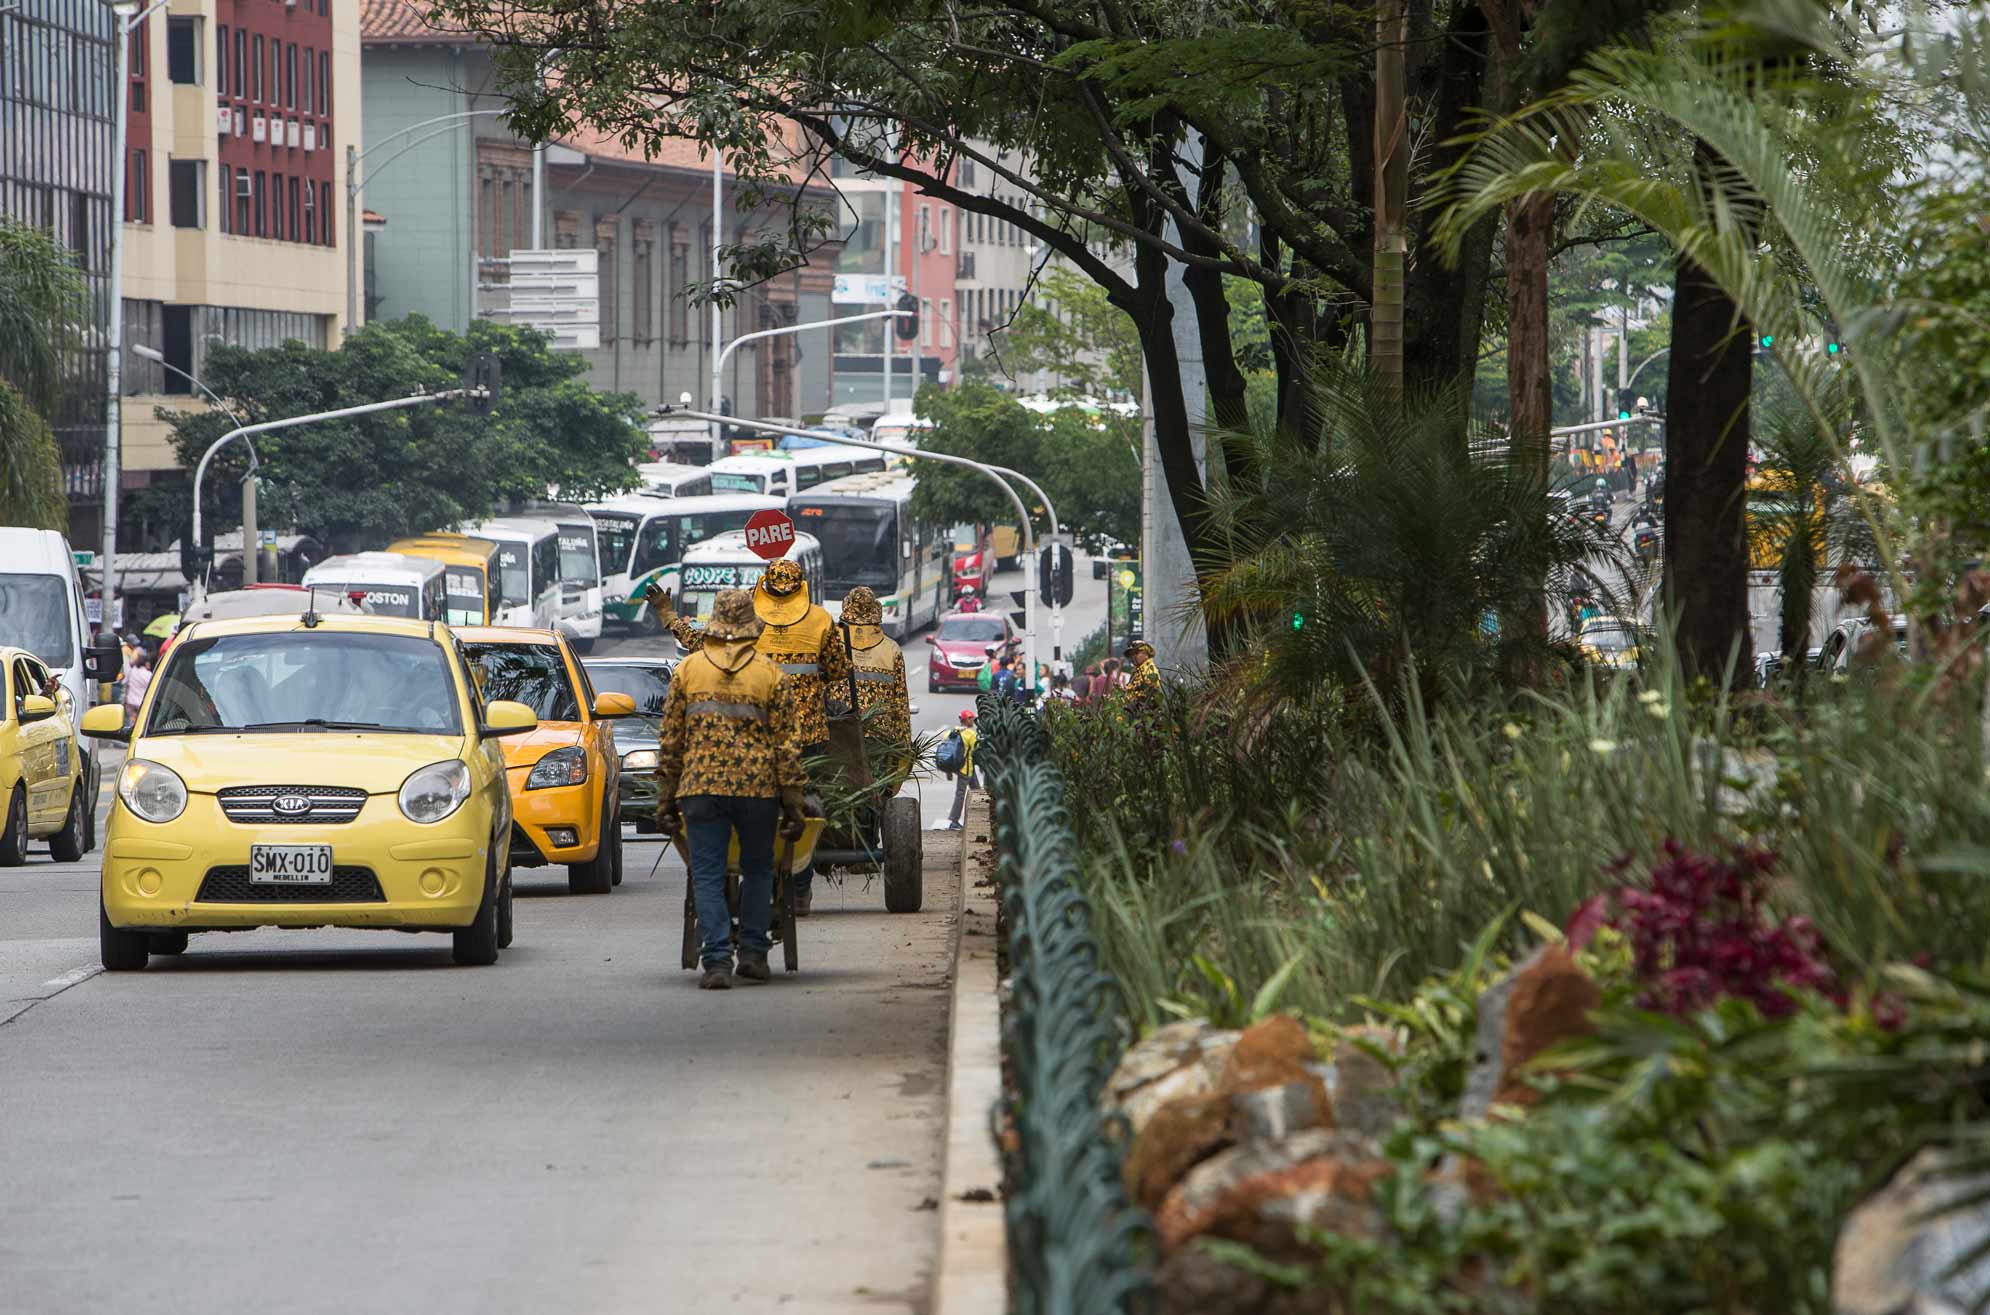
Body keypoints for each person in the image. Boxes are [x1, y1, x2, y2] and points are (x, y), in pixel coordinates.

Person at [648, 560, 849, 913]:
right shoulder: (821, 620)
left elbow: (697, 645)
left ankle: (723, 939)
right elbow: (837, 670)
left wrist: (667, 614)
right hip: (806, 738)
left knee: (718, 861)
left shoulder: (733, 637)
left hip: (735, 752)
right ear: (802, 587)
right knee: (804, 811)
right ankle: (798, 887)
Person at [652, 589, 808, 991]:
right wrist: (793, 805)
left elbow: (671, 743)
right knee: (758, 869)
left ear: (716, 626)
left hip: (700, 788)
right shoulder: (770, 675)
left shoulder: (688, 671)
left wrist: (665, 798)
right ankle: (754, 954)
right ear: (751, 628)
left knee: (707, 873)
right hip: (758, 791)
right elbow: (786, 747)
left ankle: (717, 962)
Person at [841, 586, 911, 767]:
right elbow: (900, 702)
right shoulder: (892, 648)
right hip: (879, 736)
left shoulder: (832, 644)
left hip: (840, 732)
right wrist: (904, 745)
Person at [943, 708, 978, 830]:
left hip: (958, 767)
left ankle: (978, 817)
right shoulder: (970, 734)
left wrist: (948, 771)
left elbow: (947, 752)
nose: (974, 720)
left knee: (977, 791)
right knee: (961, 794)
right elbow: (977, 751)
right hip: (966, 769)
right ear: (967, 720)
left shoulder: (951, 732)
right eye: (972, 718)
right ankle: (954, 821)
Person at [1123, 640, 1160, 708]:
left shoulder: (1150, 669)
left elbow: (1148, 694)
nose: (1133, 657)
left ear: (1146, 653)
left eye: (1136, 653)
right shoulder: (1137, 670)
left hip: (1146, 712)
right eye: (1131, 655)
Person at [122, 649, 152, 719]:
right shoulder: (149, 675)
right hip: (142, 702)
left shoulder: (132, 671)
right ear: (147, 663)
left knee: (131, 720)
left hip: (131, 701)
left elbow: (124, 681)